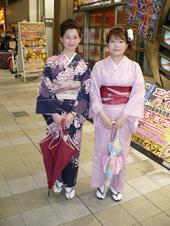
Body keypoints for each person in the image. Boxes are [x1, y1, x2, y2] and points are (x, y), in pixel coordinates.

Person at [36, 19, 90, 199]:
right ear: (61, 38)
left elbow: (85, 92)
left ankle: (69, 182)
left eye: (75, 37)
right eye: (68, 37)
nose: (71, 41)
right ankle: (57, 179)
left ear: (80, 39)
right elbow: (45, 88)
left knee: (71, 148)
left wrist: (73, 113)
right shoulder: (51, 63)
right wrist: (54, 114)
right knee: (56, 146)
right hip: (55, 112)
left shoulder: (83, 65)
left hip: (74, 115)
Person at [90, 26, 145, 201]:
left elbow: (138, 93)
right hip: (104, 114)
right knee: (101, 149)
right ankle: (101, 184)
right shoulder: (99, 66)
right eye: (112, 41)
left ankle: (116, 185)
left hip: (125, 116)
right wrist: (102, 115)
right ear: (107, 44)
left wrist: (125, 116)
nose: (116, 45)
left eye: (121, 41)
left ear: (127, 44)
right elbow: (93, 92)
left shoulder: (134, 67)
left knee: (121, 151)